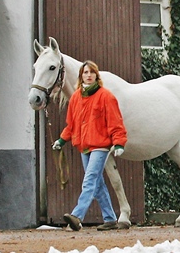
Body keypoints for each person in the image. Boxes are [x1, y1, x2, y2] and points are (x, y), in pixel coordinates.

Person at [51, 60, 128, 231]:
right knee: (97, 183)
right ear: (81, 76)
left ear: (96, 76)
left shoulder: (106, 96)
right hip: (84, 146)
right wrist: (61, 140)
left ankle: (77, 215)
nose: (88, 75)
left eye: (91, 72)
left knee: (90, 179)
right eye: (85, 72)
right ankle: (110, 219)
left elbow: (116, 122)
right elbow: (71, 125)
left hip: (100, 146)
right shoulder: (76, 98)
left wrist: (119, 142)